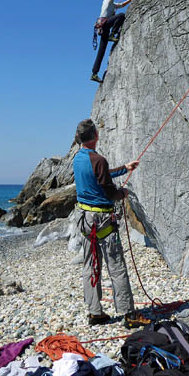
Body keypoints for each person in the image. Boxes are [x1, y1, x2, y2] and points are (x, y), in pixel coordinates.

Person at [72, 118, 151, 328]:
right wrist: (122, 193)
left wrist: (124, 169)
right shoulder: (98, 160)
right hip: (103, 220)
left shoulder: (78, 158)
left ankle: (95, 312)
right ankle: (129, 314)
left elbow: (101, 175)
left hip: (85, 220)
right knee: (116, 266)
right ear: (96, 135)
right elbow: (109, 191)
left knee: (91, 265)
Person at [91, 0, 139, 83]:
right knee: (121, 15)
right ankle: (113, 34)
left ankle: (94, 73)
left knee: (101, 51)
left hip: (102, 28)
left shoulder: (111, 3)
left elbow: (121, 5)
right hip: (105, 24)